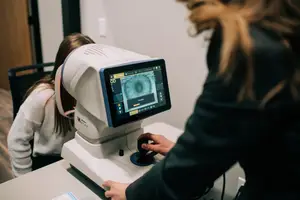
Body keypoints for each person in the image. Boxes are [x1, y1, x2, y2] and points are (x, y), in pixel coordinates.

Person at [103, 0, 300, 199]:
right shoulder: (285, 28)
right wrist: (188, 154)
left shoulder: (250, 48)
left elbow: (186, 176)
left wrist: (132, 194)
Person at [7, 33, 95, 177]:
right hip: (48, 161)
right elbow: (16, 139)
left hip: (77, 157)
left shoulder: (90, 92)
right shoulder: (43, 96)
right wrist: (25, 179)